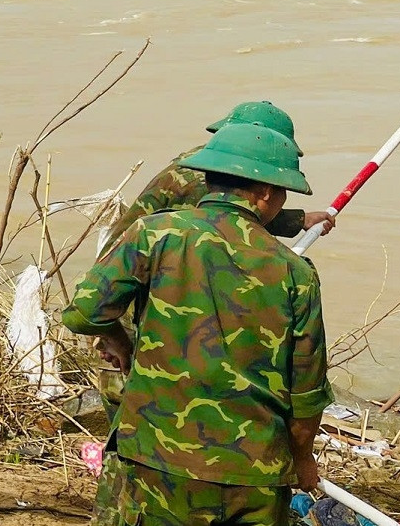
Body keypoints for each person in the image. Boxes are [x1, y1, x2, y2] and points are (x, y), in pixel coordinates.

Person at [64, 123, 332, 526]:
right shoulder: (295, 272)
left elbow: (84, 312)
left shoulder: (156, 234)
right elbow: (306, 395)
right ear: (263, 193)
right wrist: (303, 460)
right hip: (253, 479)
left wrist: (119, 339)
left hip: (155, 464)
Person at [103, 100, 333, 250]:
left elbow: (236, 212)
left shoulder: (211, 162)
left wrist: (301, 220)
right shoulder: (203, 177)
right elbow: (228, 218)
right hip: (129, 287)